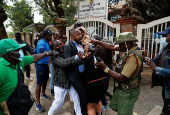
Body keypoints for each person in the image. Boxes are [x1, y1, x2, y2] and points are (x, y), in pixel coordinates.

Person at [93, 32, 143, 115]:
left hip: (128, 91)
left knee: (123, 112)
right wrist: (97, 42)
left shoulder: (133, 57)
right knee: (114, 105)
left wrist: (104, 68)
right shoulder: (129, 49)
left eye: (120, 44)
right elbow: (112, 47)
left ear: (128, 43)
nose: (119, 47)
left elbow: (122, 77)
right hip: (122, 88)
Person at [0, 38, 52, 115]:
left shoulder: (18, 61)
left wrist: (47, 53)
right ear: (11, 54)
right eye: (18, 50)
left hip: (19, 106)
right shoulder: (1, 69)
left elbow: (34, 58)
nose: (21, 52)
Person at [48, 40, 86, 115]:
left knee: (76, 99)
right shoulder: (54, 56)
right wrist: (76, 56)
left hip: (68, 81)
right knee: (59, 102)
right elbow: (64, 63)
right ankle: (50, 113)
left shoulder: (63, 53)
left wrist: (82, 59)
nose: (60, 46)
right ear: (53, 48)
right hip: (60, 83)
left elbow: (70, 63)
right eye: (57, 46)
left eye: (60, 44)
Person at [63, 29, 90, 115]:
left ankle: (78, 112)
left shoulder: (82, 45)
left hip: (83, 75)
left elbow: (85, 58)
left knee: (82, 96)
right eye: (78, 35)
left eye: (81, 34)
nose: (81, 36)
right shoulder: (68, 46)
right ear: (72, 36)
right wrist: (81, 60)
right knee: (83, 96)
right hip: (74, 76)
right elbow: (67, 63)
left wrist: (86, 56)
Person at [145, 27, 170, 115]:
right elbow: (155, 61)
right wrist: (146, 58)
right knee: (166, 107)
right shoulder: (165, 48)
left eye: (165, 35)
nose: (162, 38)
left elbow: (156, 67)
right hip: (166, 87)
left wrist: (156, 69)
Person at [85, 39, 113, 115]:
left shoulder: (91, 58)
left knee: (90, 105)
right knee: (98, 100)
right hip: (104, 83)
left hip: (93, 84)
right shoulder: (108, 59)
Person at [35, 29, 53, 112]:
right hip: (40, 64)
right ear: (46, 36)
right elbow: (43, 52)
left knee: (45, 80)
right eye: (50, 35)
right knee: (39, 83)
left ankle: (43, 94)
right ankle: (37, 104)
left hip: (45, 64)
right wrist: (51, 52)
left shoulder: (47, 42)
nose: (51, 37)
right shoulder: (41, 42)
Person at [49, 31, 60, 96]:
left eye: (58, 35)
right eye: (56, 35)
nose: (57, 36)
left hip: (58, 61)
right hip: (52, 62)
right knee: (53, 76)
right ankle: (52, 89)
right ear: (53, 36)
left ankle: (56, 89)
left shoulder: (59, 42)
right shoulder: (51, 42)